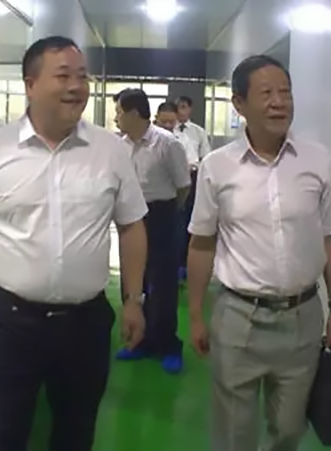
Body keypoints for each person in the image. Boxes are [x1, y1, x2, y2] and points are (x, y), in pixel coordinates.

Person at [0, 36, 149, 451]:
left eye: (82, 76)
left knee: (76, 430)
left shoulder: (110, 151)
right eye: (63, 76)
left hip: (85, 323)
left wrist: (133, 300)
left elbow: (131, 227)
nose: (77, 86)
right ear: (31, 84)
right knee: (4, 430)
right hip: (9, 322)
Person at [187, 55, 331, 451]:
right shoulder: (217, 167)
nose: (279, 102)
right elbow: (202, 242)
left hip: (302, 317)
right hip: (239, 317)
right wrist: (195, 315)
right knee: (234, 433)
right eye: (266, 93)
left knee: (289, 428)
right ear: (239, 103)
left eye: (286, 92)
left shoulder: (318, 161)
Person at [113, 88, 190, 374]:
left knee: (163, 284)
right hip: (131, 218)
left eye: (119, 112)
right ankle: (140, 340)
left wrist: (166, 214)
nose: (116, 118)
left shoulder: (167, 144)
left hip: (162, 216)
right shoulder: (120, 146)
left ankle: (168, 345)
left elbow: (183, 186)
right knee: (134, 282)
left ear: (134, 113)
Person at [174, 95, 211, 281]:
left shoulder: (198, 132)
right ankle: (175, 263)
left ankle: (186, 264)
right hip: (173, 179)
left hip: (194, 178)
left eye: (183, 107)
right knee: (176, 221)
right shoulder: (167, 131)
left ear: (190, 109)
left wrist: (194, 168)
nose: (180, 111)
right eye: (177, 107)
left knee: (191, 220)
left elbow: (206, 158)